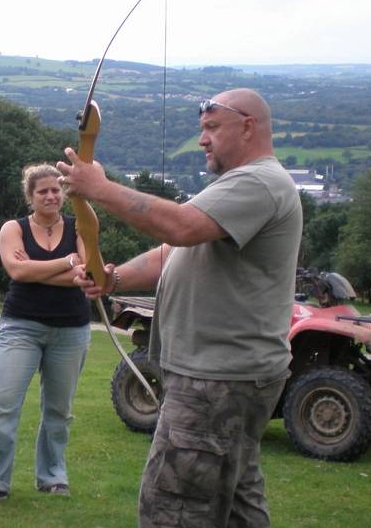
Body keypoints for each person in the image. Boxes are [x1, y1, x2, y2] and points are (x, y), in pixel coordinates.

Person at [59, 89, 302, 527]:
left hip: (216, 379)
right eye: (201, 129)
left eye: (212, 128)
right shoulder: (235, 186)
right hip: (226, 375)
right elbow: (170, 252)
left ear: (248, 127)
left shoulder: (259, 183)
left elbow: (181, 226)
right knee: (236, 508)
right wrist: (110, 279)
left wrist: (99, 188)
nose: (203, 139)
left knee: (172, 510)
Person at [0, 163, 91, 502]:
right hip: (21, 326)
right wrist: (67, 262)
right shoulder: (12, 228)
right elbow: (16, 270)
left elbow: (85, 276)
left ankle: (53, 477)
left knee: (59, 410)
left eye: (56, 189)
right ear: (30, 196)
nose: (51, 195)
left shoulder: (80, 227)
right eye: (42, 190)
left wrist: (39, 269)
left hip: (71, 328)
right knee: (1, 402)